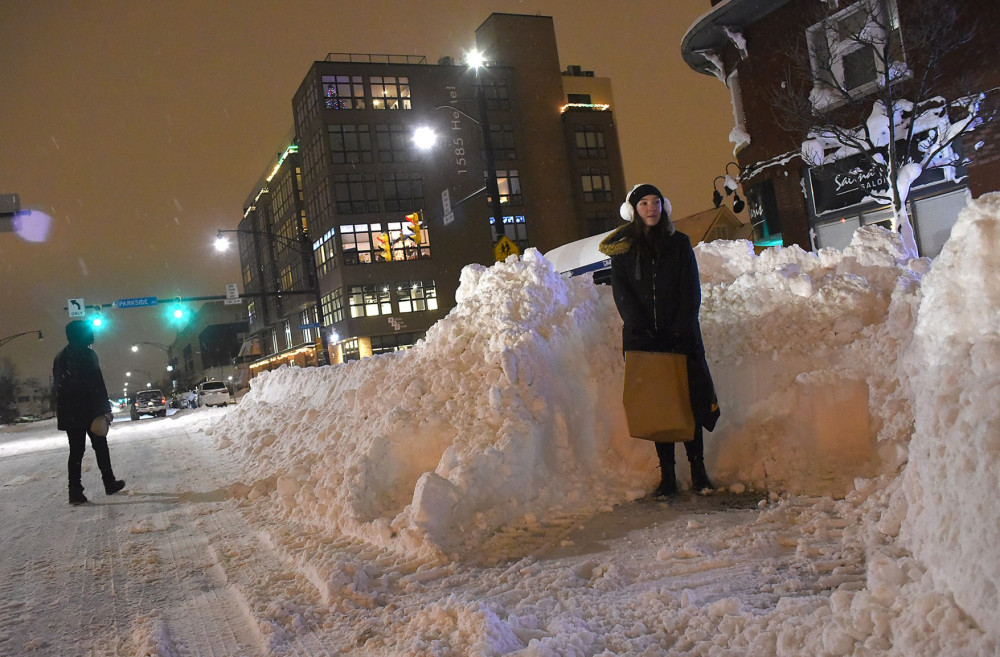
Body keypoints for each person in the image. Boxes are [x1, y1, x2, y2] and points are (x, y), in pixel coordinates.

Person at [599, 183, 720, 497]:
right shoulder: (624, 250)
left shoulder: (679, 243)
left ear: (663, 207)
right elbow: (622, 294)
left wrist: (678, 330)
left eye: (655, 203)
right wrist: (642, 331)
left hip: (682, 339)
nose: (651, 209)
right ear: (634, 211)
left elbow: (690, 291)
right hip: (644, 343)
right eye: (644, 204)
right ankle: (668, 476)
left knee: (689, 403)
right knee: (658, 408)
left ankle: (699, 471)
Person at [53, 320, 125, 505]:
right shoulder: (88, 354)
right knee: (101, 447)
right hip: (90, 411)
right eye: (89, 332)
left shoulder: (60, 357)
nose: (93, 335)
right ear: (81, 334)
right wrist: (105, 410)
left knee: (76, 452)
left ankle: (74, 491)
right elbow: (96, 384)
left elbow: (59, 387)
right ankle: (109, 482)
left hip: (70, 412)